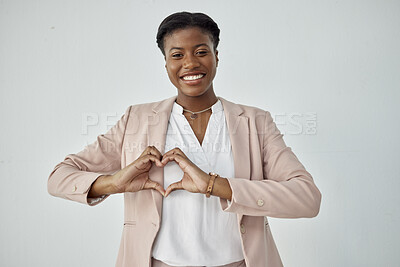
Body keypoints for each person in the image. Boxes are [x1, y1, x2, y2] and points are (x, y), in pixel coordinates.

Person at [48, 11, 321, 267]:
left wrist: (216, 185)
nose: (190, 63)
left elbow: (307, 198)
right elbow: (59, 177)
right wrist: (113, 182)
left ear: (216, 56)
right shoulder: (136, 120)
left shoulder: (255, 121)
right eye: (177, 54)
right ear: (165, 63)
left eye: (201, 52)